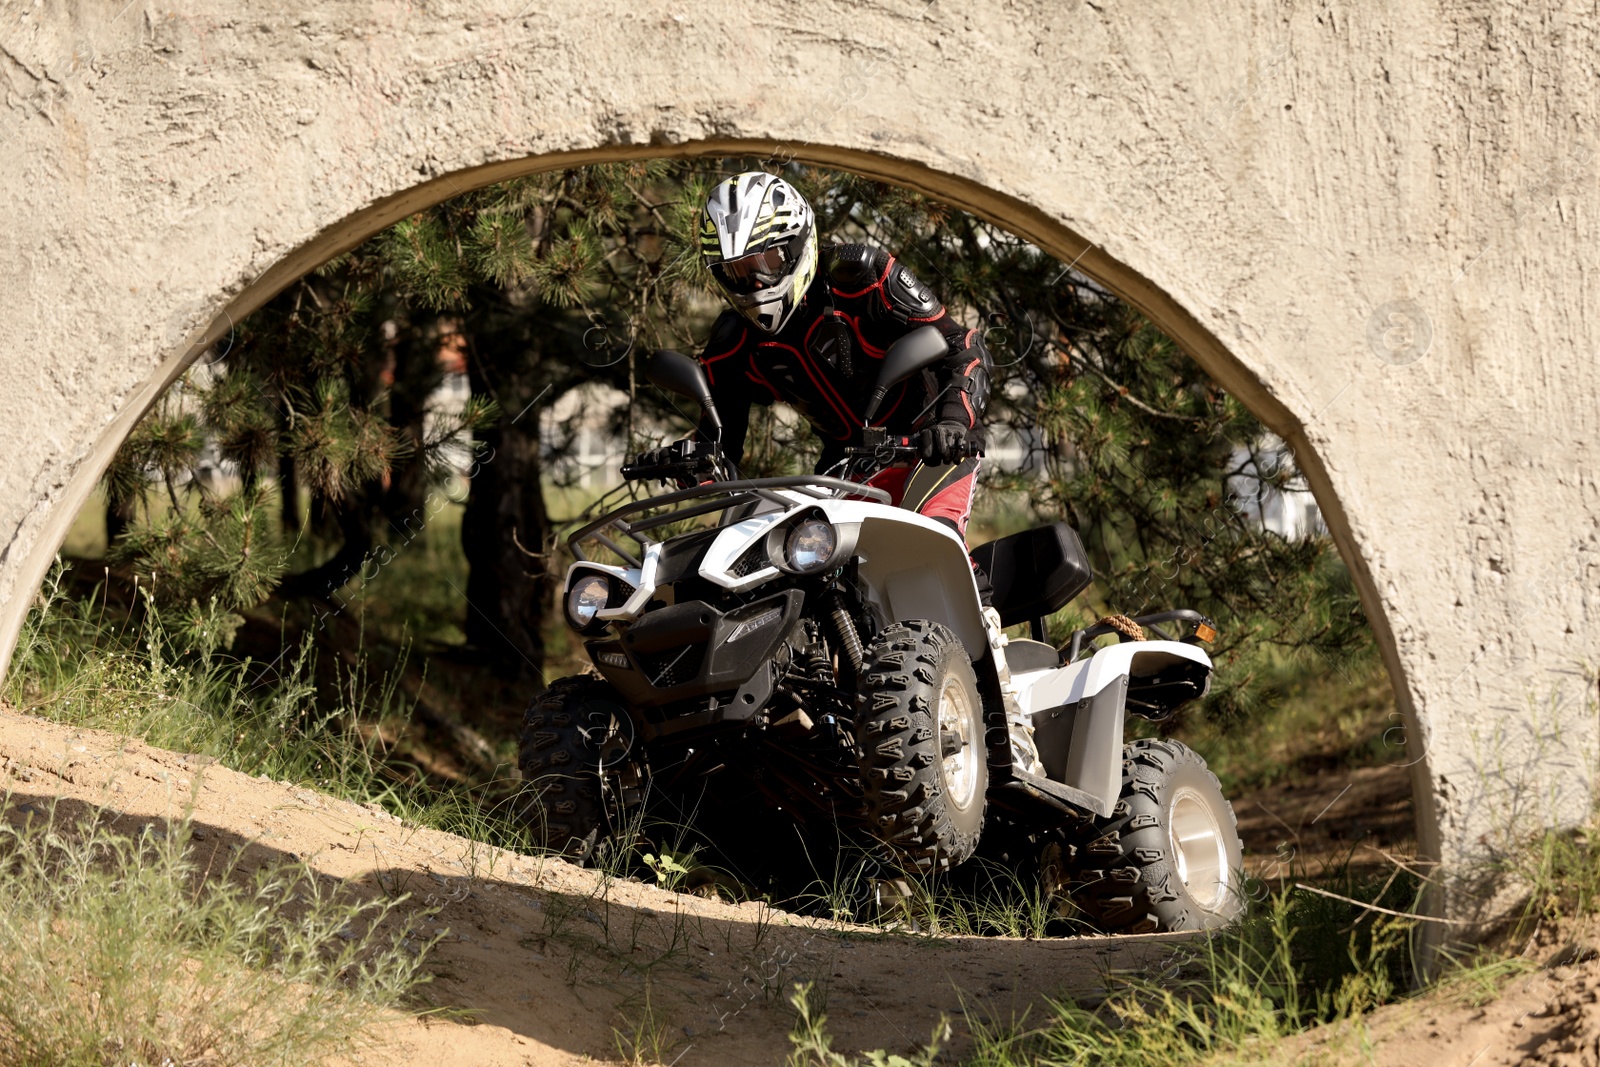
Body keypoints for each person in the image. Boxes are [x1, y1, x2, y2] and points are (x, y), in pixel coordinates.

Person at [680, 170, 993, 541]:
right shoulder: (735, 339)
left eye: (764, 262)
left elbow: (961, 345)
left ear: (796, 244)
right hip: (845, 468)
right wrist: (694, 460)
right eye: (737, 272)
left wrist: (953, 424)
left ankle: (981, 597)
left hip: (929, 449)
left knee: (932, 547)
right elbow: (720, 436)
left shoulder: (862, 277)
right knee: (801, 573)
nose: (756, 284)